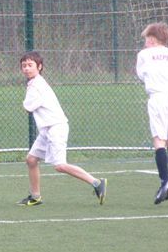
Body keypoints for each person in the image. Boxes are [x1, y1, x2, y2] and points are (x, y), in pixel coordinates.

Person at [17, 51, 106, 206]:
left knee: (60, 166)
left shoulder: (37, 85)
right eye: (24, 66)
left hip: (56, 128)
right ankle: (35, 197)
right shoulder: (34, 83)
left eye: (30, 65)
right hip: (46, 130)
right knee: (31, 160)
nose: (26, 68)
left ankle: (97, 183)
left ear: (39, 67)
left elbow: (28, 107)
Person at [136, 22, 168, 205]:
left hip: (158, 97)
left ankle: (164, 182)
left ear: (152, 38)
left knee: (159, 139)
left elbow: (142, 76)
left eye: (146, 38)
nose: (145, 42)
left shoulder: (144, 55)